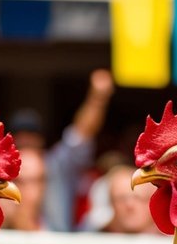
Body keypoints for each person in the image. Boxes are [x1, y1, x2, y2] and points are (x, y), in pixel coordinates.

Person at [9, 69, 114, 233]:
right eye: (20, 181)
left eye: (37, 180)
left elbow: (81, 135)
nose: (26, 141)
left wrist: (97, 98)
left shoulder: (56, 164)